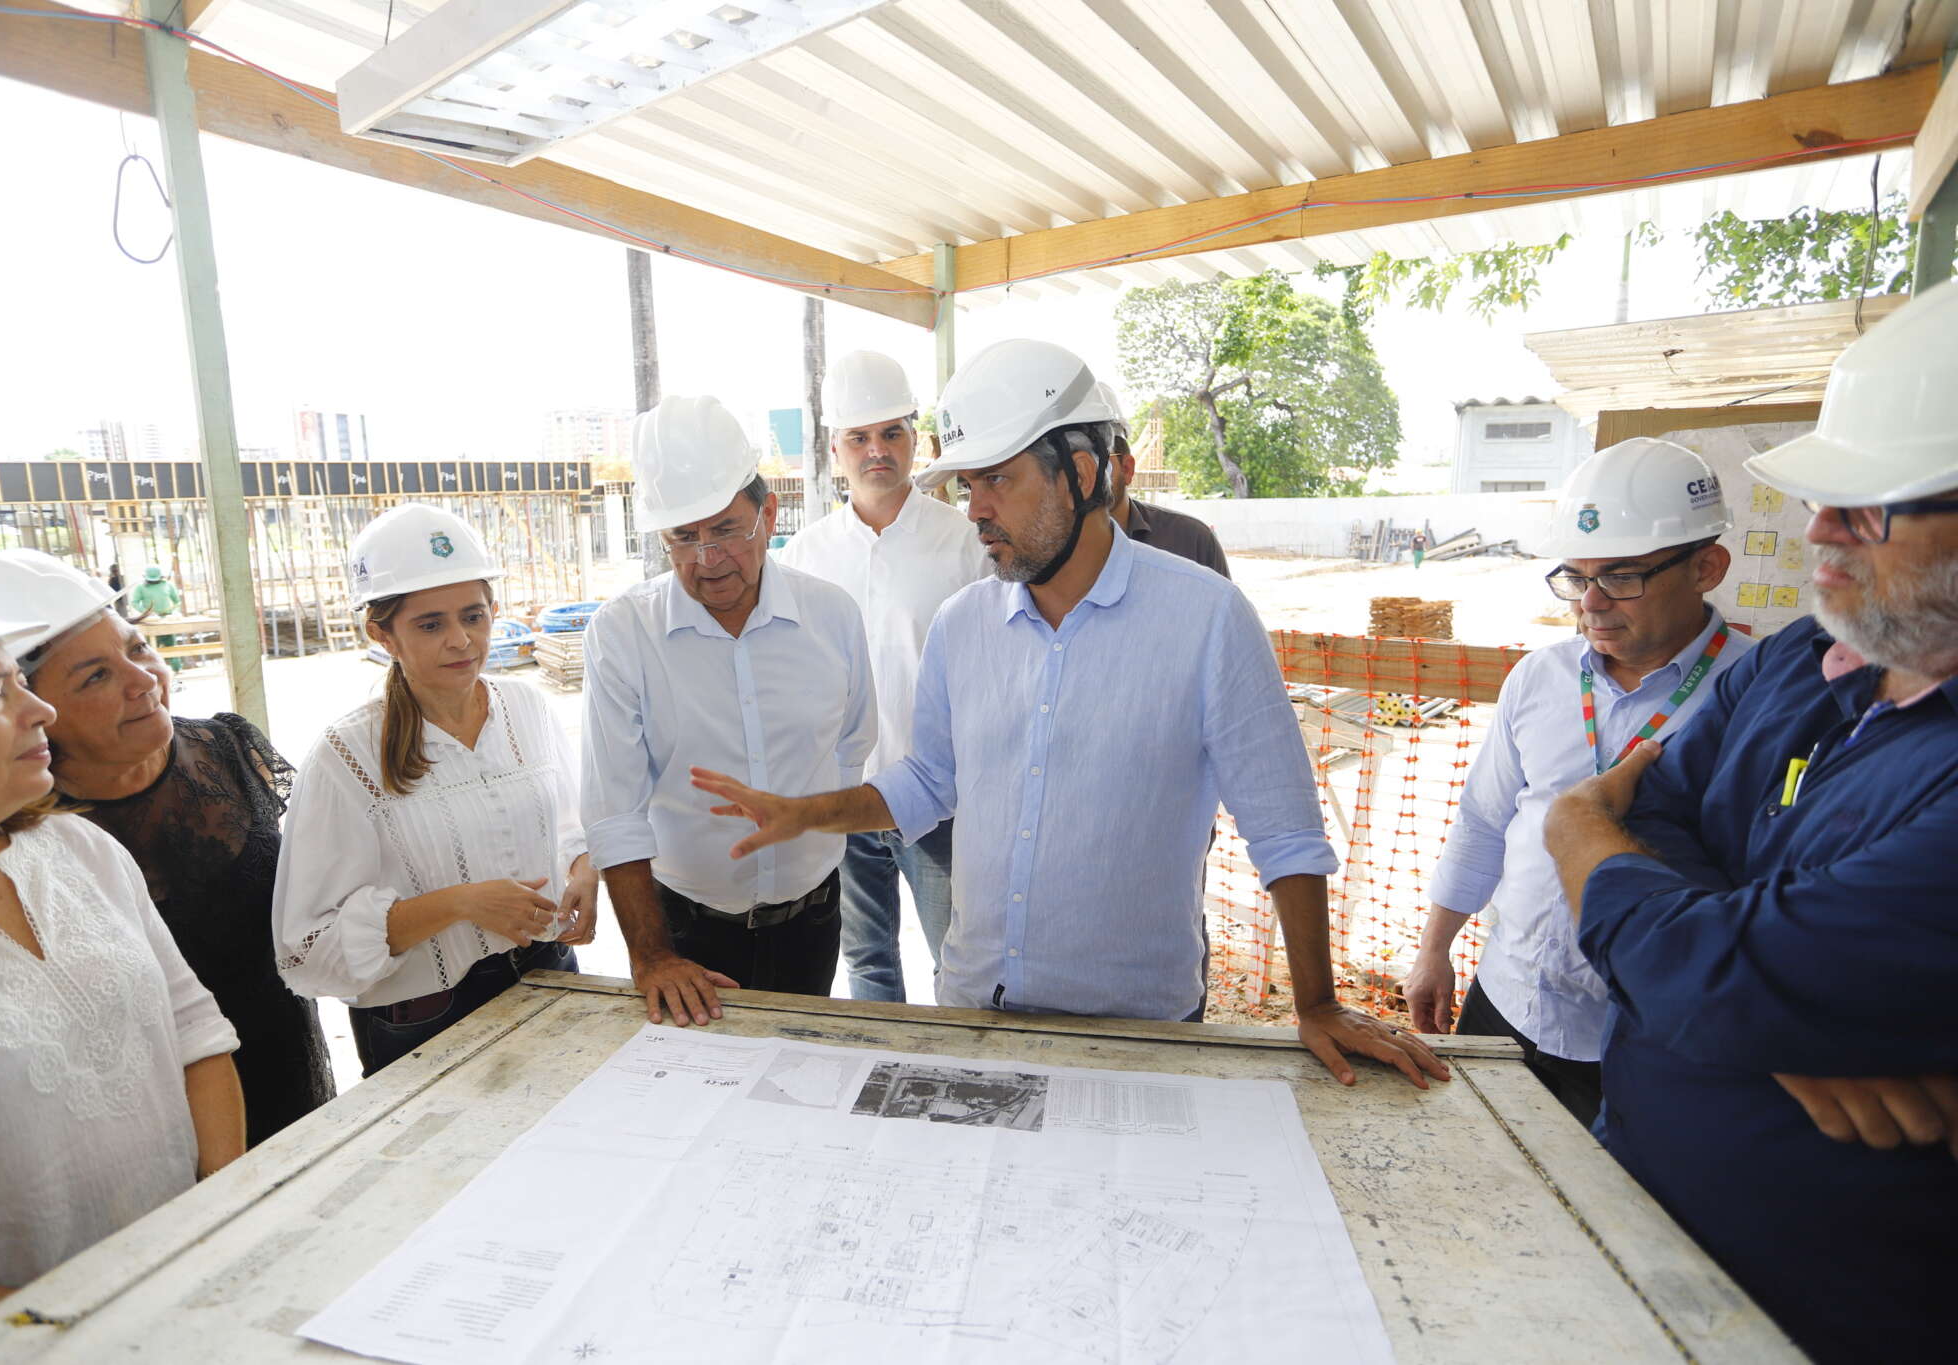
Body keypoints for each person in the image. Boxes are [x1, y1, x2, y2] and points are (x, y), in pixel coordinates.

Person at [693, 340, 1445, 1089]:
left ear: (1081, 473)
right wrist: (806, 813)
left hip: (1139, 1036)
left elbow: (1284, 827)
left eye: (997, 481)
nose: (975, 510)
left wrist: (1316, 1002)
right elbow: (928, 780)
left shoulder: (1206, 619)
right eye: (966, 486)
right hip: (976, 1016)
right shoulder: (963, 624)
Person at [1545, 281, 1958, 1362]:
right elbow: (1677, 829)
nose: (1817, 529)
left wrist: (1583, 835)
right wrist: (1770, 995)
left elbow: (1702, 960)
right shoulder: (1796, 662)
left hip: (1832, 1307)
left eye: (1867, 507)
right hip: (1637, 1212)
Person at [0, 560, 242, 1348]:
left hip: (187, 1305)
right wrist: (74, 1322)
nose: (41, 709)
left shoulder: (77, 850)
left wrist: (227, 1211)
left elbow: (198, 1034)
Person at [1401, 439, 1749, 1125]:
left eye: (1621, 576)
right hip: (1507, 998)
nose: (1591, 602)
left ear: (1706, 566)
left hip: (1649, 1031)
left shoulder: (1755, 693)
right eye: (1574, 576)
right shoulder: (1541, 677)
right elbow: (1483, 820)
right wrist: (1435, 949)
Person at [0, 549, 335, 1147]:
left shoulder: (229, 751)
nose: (144, 680)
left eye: (137, 648)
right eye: (96, 676)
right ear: (34, 708)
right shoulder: (37, 840)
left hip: (287, 1073)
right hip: (153, 1125)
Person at [273, 505, 596, 1077]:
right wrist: (461, 903)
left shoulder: (527, 709)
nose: (461, 640)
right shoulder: (347, 756)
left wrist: (586, 872)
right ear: (382, 634)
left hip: (550, 975)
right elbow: (306, 946)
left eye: (473, 616)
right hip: (425, 1019)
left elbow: (573, 826)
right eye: (430, 624)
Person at [583, 396, 876, 1025]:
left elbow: (851, 749)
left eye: (724, 531)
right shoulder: (624, 633)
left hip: (815, 919)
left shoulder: (832, 617)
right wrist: (651, 955)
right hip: (686, 933)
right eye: (682, 538)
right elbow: (614, 809)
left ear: (769, 514)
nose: (706, 560)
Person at [780, 351, 987, 1002]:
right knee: (869, 965)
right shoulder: (806, 556)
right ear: (835, 448)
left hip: (938, 807)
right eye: (860, 437)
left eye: (891, 432)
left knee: (959, 965)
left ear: (915, 438)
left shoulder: (964, 543)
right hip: (844, 801)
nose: (877, 450)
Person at [1098, 382, 1229, 577]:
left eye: (1097, 462)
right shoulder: (1046, 552)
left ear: (1127, 469)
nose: (1081, 476)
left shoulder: (1192, 543)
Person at [128, 565, 184, 672]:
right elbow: (134, 602)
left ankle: (177, 668)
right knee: (150, 647)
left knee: (171, 644)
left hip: (166, 618)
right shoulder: (141, 587)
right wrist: (146, 612)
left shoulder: (168, 585)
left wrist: (175, 612)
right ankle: (152, 671)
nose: (153, 582)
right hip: (151, 620)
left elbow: (177, 601)